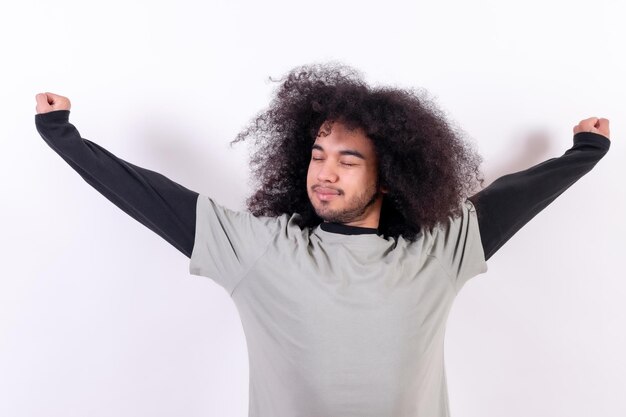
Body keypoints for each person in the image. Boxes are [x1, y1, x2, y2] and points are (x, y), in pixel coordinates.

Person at [34, 63, 610, 417]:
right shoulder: (260, 249)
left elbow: (518, 195)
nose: (324, 173)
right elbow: (151, 197)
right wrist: (64, 137)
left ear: (387, 175)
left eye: (347, 160)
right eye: (316, 155)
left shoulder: (439, 252)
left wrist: (584, 153)